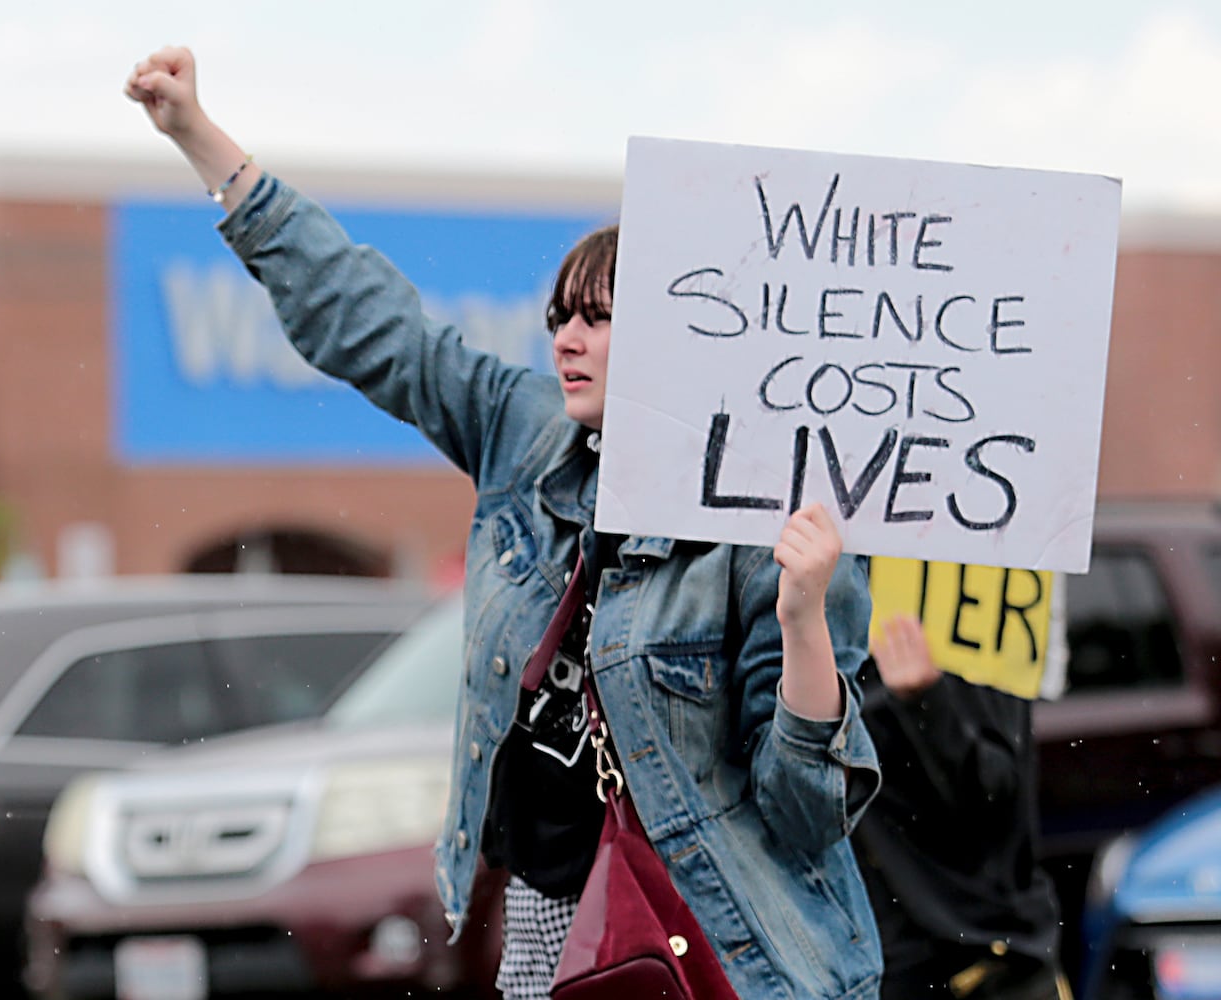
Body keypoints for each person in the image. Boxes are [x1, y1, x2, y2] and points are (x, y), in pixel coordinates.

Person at [125, 46, 883, 1000]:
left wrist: (805, 612)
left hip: (723, 939)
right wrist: (197, 134)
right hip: (553, 919)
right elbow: (375, 325)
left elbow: (807, 813)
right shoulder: (525, 434)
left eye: (599, 318)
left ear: (686, 338)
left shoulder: (762, 521)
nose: (566, 338)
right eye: (560, 315)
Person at [857, 614, 1069, 1000]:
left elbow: (997, 794)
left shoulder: (971, 641)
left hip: (978, 961)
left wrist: (926, 702)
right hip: (885, 959)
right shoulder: (842, 634)